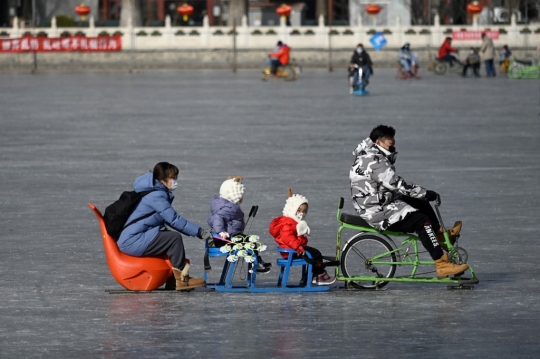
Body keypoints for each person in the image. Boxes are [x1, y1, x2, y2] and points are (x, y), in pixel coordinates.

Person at [349, 125, 469, 279]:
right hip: (377, 212)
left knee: (420, 201)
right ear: (378, 142)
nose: (393, 147)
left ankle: (440, 236)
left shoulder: (370, 155)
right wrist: (426, 193)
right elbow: (398, 184)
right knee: (422, 222)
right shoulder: (373, 161)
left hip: (380, 203)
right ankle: (442, 264)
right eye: (390, 144)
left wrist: (422, 196)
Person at [117, 162, 213, 290]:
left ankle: (173, 279)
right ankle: (181, 279)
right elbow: (173, 219)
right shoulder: (156, 195)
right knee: (173, 239)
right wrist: (199, 232)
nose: (175, 181)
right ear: (162, 179)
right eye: (173, 178)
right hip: (133, 241)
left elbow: (167, 219)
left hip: (134, 237)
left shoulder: (153, 191)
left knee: (167, 237)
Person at [269, 188, 336, 286]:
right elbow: (287, 238)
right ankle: (319, 275)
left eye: (304, 211)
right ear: (293, 210)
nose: (302, 214)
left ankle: (310, 276)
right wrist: (299, 246)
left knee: (314, 253)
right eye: (299, 211)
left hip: (294, 249)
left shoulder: (293, 222)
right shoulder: (288, 223)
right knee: (315, 254)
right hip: (292, 251)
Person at [207, 176, 271, 273]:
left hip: (229, 236)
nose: (241, 198)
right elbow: (217, 218)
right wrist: (221, 232)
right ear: (233, 194)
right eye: (240, 196)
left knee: (250, 242)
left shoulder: (221, 204)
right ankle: (257, 264)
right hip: (227, 239)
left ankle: (259, 261)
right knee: (251, 244)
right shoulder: (229, 207)